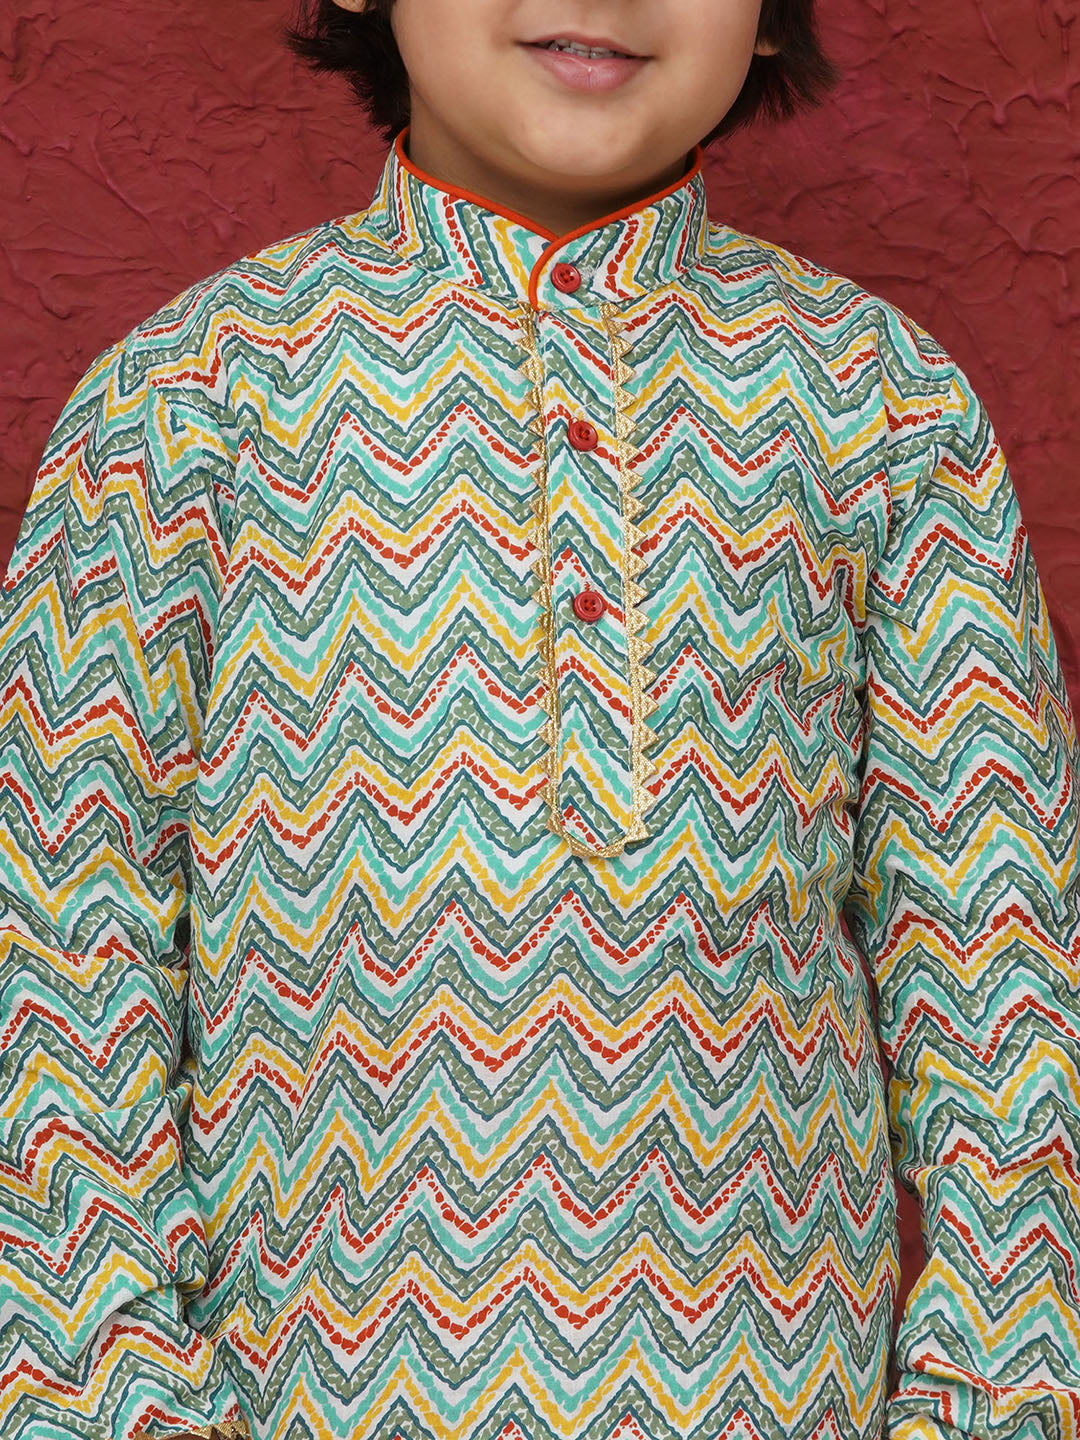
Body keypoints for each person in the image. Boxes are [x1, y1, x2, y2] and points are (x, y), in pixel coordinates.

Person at [1, 0, 1078, 1437]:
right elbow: (56, 956)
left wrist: (996, 1400)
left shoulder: (882, 403)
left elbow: (1002, 962)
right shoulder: (186, 400)